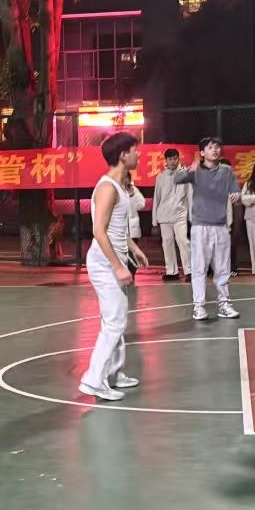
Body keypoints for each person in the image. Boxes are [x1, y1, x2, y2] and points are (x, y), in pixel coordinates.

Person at [79, 132, 143, 402]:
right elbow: (99, 231)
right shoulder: (107, 188)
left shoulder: (120, 185)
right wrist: (118, 266)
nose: (139, 154)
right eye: (135, 150)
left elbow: (117, 228)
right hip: (104, 264)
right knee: (115, 321)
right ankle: (93, 380)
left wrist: (133, 248)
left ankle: (114, 373)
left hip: (112, 260)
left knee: (116, 318)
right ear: (123, 155)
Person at [166, 138, 241, 321]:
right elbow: (177, 179)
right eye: (210, 147)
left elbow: (235, 190)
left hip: (221, 226)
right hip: (200, 226)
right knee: (199, 268)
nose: (215, 150)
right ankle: (199, 307)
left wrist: (236, 194)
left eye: (217, 147)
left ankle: (224, 305)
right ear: (202, 152)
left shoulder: (226, 171)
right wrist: (188, 171)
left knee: (223, 268)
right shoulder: (196, 170)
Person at [152, 147, 192, 280]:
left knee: (183, 241)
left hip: (180, 213)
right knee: (167, 243)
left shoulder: (185, 175)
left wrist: (191, 216)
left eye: (175, 158)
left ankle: (189, 271)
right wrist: (154, 219)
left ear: (178, 159)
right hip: (164, 214)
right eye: (170, 159)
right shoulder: (160, 177)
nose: (173, 161)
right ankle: (172, 271)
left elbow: (190, 196)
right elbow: (157, 197)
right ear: (166, 160)